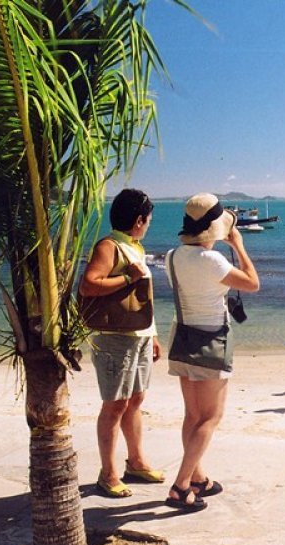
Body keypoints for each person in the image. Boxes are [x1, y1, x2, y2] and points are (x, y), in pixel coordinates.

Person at [164, 193, 260, 512]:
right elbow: (252, 283)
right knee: (211, 417)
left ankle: (197, 477)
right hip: (211, 342)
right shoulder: (213, 261)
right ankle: (180, 486)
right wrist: (238, 246)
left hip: (182, 338)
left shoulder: (172, 257)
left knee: (192, 415)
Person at [80, 188, 163, 498]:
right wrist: (128, 278)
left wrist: (152, 333)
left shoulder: (135, 247)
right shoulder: (109, 245)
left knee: (135, 400)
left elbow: (141, 298)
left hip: (138, 335)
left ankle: (137, 462)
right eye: (149, 220)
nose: (149, 224)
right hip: (114, 338)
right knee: (115, 405)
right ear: (138, 219)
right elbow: (89, 285)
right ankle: (108, 473)